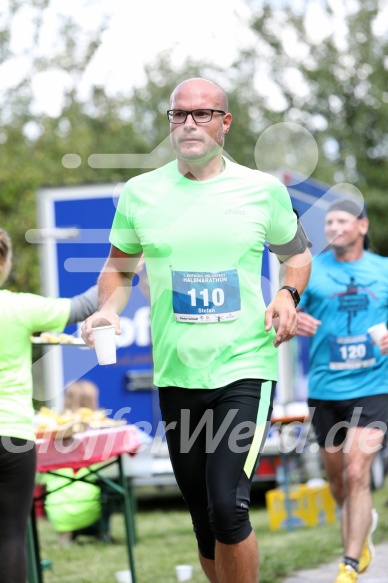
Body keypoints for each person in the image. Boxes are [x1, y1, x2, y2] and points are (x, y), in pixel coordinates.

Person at [81, 77, 312, 583]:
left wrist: (286, 294)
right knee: (205, 524)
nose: (188, 124)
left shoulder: (262, 189)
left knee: (229, 509)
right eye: (178, 115)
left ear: (224, 122)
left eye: (202, 114)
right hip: (177, 374)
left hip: (245, 368)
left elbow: (297, 255)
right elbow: (119, 269)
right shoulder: (141, 193)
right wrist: (107, 310)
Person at [297, 197, 388, 583]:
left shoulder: (383, 271)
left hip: (373, 386)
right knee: (338, 482)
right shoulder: (311, 271)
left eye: (342, 221)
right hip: (325, 389)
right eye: (328, 222)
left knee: (355, 472)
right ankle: (360, 529)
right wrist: (293, 317)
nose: (333, 227)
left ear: (362, 227)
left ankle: (348, 564)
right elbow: (279, 314)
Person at [0, 228, 98, 583]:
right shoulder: (17, 306)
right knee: (10, 537)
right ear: (5, 263)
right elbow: (87, 304)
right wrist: (126, 263)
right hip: (13, 435)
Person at [40, 380, 113, 546]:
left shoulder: (54, 426)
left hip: (56, 509)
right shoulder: (98, 426)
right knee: (111, 486)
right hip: (90, 508)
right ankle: (104, 531)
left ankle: (66, 534)